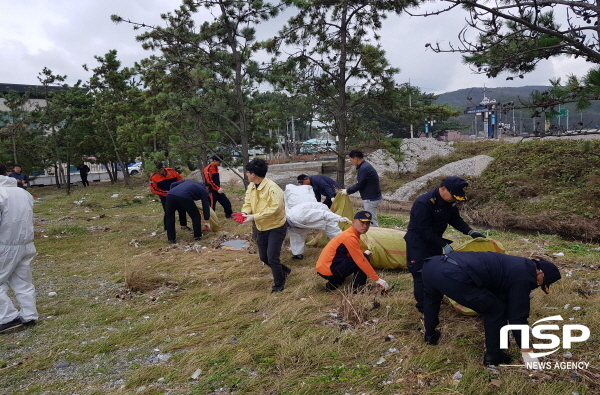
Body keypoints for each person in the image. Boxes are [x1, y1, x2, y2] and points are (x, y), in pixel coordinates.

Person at [421, 252, 561, 366]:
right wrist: (527, 351)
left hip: (431, 265)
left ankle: (430, 335)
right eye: (541, 283)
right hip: (453, 275)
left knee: (431, 299)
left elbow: (498, 288)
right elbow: (517, 316)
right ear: (540, 274)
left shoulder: (518, 264)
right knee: (495, 310)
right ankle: (494, 356)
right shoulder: (525, 277)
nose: (537, 286)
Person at [404, 176, 486, 313]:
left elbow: (455, 219)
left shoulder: (450, 202)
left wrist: (470, 231)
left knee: (435, 272)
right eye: (453, 196)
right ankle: (423, 307)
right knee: (420, 274)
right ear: (443, 189)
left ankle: (435, 299)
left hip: (434, 242)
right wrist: (443, 244)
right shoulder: (424, 203)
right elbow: (423, 230)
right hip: (418, 244)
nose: (454, 199)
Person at [240, 158, 290, 293]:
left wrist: (254, 216)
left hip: (276, 226)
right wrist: (245, 213)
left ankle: (279, 284)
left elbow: (275, 208)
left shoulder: (273, 188)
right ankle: (284, 270)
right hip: (262, 226)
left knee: (273, 258)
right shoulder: (251, 186)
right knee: (264, 257)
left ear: (253, 174)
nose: (246, 175)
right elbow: (248, 202)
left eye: (247, 172)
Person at [0, 164, 38, 333]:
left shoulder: (1, 194)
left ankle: (8, 317)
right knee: (23, 282)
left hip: (4, 245)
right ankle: (29, 315)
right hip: (25, 244)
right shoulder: (23, 193)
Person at [316, 211, 390, 292]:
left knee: (361, 257)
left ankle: (334, 284)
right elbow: (360, 260)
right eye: (362, 223)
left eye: (368, 223)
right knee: (364, 259)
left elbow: (348, 254)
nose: (365, 226)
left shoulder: (350, 233)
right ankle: (357, 289)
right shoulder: (350, 237)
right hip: (329, 269)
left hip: (324, 268)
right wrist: (377, 279)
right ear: (353, 222)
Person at [340, 150, 382, 227]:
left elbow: (360, 185)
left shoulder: (364, 168)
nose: (351, 162)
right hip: (373, 195)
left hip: (370, 197)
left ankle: (374, 235)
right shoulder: (365, 166)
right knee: (372, 217)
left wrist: (347, 191)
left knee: (370, 219)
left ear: (356, 158)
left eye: (351, 160)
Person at [149, 164, 190, 232]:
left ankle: (184, 226)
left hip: (177, 193)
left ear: (163, 168)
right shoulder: (153, 177)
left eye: (160, 170)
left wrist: (178, 190)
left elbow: (180, 180)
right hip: (165, 196)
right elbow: (154, 189)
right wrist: (167, 193)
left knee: (182, 209)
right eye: (157, 171)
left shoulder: (171, 171)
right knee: (168, 212)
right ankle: (167, 228)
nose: (159, 172)